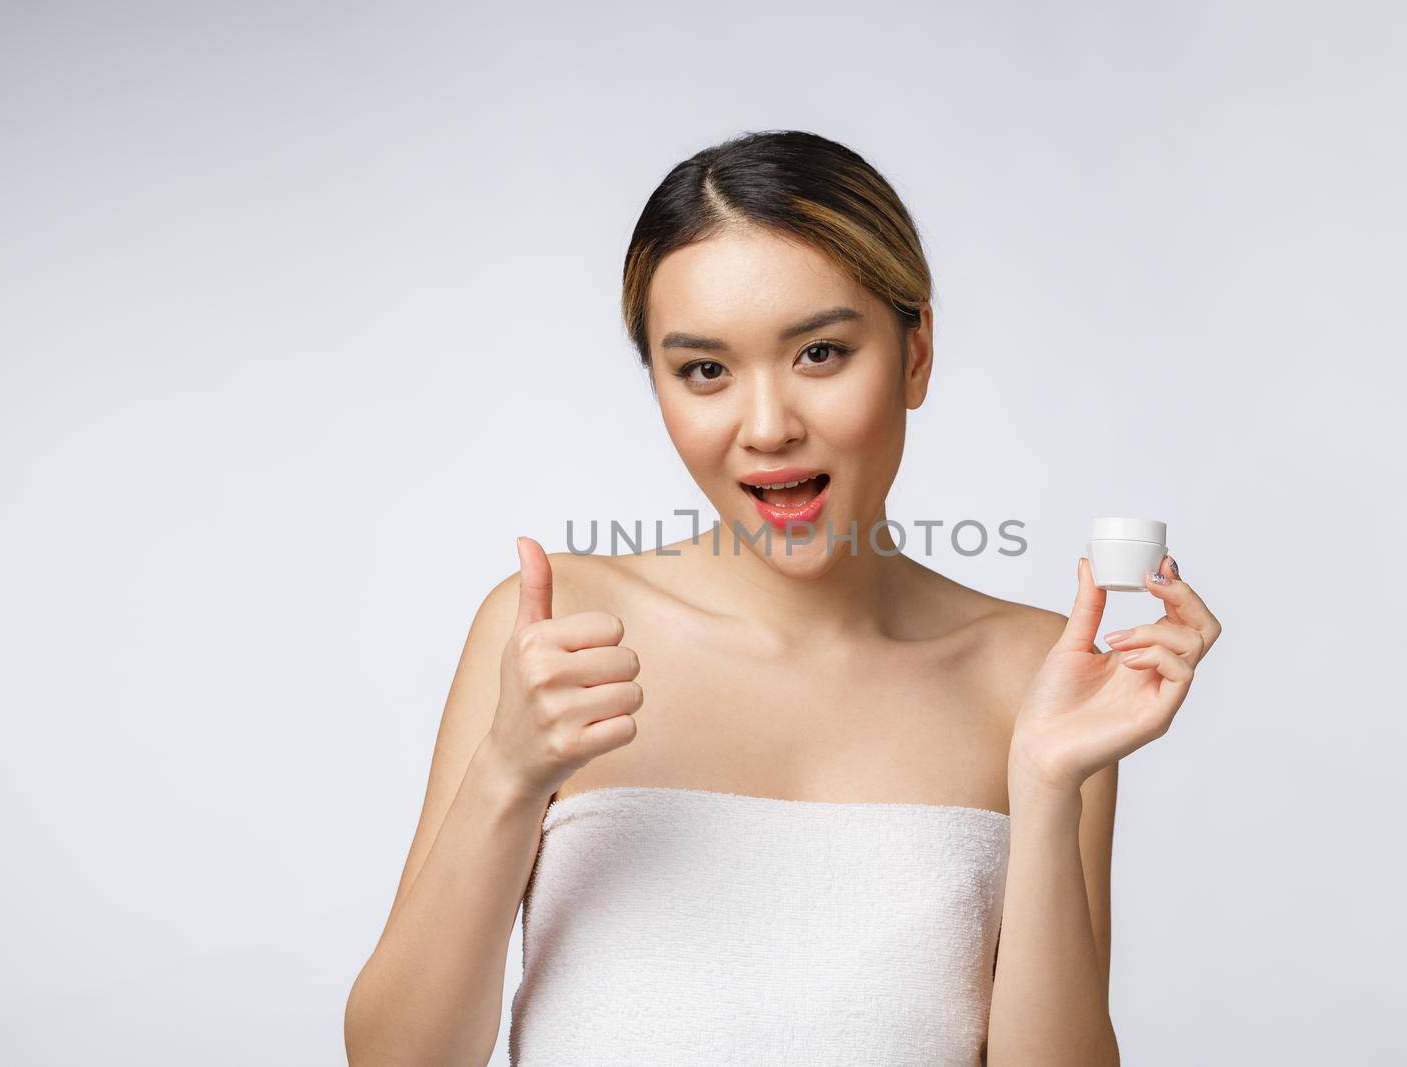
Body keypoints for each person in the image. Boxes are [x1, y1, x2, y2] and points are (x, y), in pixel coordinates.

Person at [343, 129, 1222, 1066]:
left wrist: (1047, 789)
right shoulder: (554, 636)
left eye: (819, 353)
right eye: (705, 371)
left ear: (915, 350)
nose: (767, 428)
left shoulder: (1038, 676)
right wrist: (507, 775)